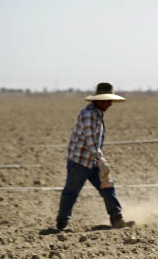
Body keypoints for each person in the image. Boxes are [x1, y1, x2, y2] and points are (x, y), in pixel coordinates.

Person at [55, 83, 134, 231]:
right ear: (97, 100)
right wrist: (100, 160)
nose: (109, 103)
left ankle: (117, 219)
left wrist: (98, 160)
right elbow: (90, 141)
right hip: (80, 162)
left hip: (92, 161)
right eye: (106, 100)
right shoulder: (88, 115)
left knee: (107, 187)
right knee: (71, 192)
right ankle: (62, 224)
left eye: (110, 100)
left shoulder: (97, 114)